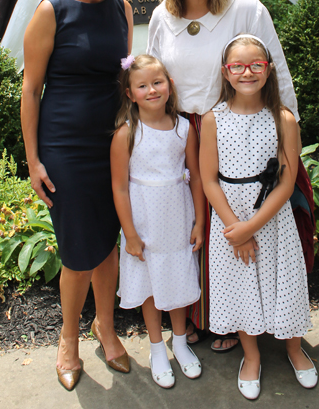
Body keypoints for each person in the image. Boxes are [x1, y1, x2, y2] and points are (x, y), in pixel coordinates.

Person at [146, 0, 300, 352]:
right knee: (186, 225)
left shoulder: (244, 7)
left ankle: (235, 321)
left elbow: (275, 68)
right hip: (181, 131)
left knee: (228, 224)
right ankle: (189, 315)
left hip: (236, 129)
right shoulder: (163, 14)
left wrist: (288, 133)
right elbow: (154, 75)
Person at [21, 0, 133, 391]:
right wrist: (34, 161)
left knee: (108, 242)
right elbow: (30, 90)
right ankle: (68, 338)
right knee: (77, 251)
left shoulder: (123, 10)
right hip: (65, 146)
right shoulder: (52, 10)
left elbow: (122, 79)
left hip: (110, 142)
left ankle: (105, 326)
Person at [200, 34, 317, 400]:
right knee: (241, 286)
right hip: (229, 218)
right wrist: (236, 228)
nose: (247, 72)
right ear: (226, 72)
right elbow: (208, 179)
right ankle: (251, 356)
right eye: (238, 65)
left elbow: (285, 183)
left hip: (272, 219)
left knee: (285, 282)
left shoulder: (283, 119)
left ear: (268, 70)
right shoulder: (212, 120)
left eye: (256, 65)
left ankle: (295, 348)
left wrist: (251, 227)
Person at [111, 54, 205, 389]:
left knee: (177, 277)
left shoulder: (183, 128)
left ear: (170, 85)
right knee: (151, 283)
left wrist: (198, 222)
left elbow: (194, 177)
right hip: (144, 219)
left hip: (178, 217)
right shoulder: (127, 133)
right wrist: (130, 234)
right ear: (129, 93)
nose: (152, 90)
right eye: (142, 85)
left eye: (157, 82)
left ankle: (179, 342)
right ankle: (156, 347)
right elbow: (120, 187)